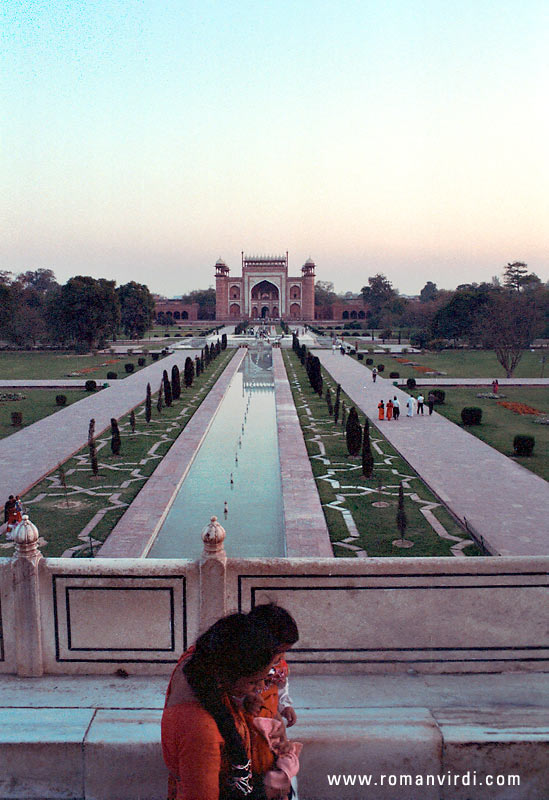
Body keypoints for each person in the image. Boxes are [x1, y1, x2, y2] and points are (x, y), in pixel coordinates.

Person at [162, 611, 290, 800]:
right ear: (226, 677)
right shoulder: (200, 730)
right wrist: (265, 793)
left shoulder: (200, 663)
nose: (261, 688)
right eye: (254, 682)